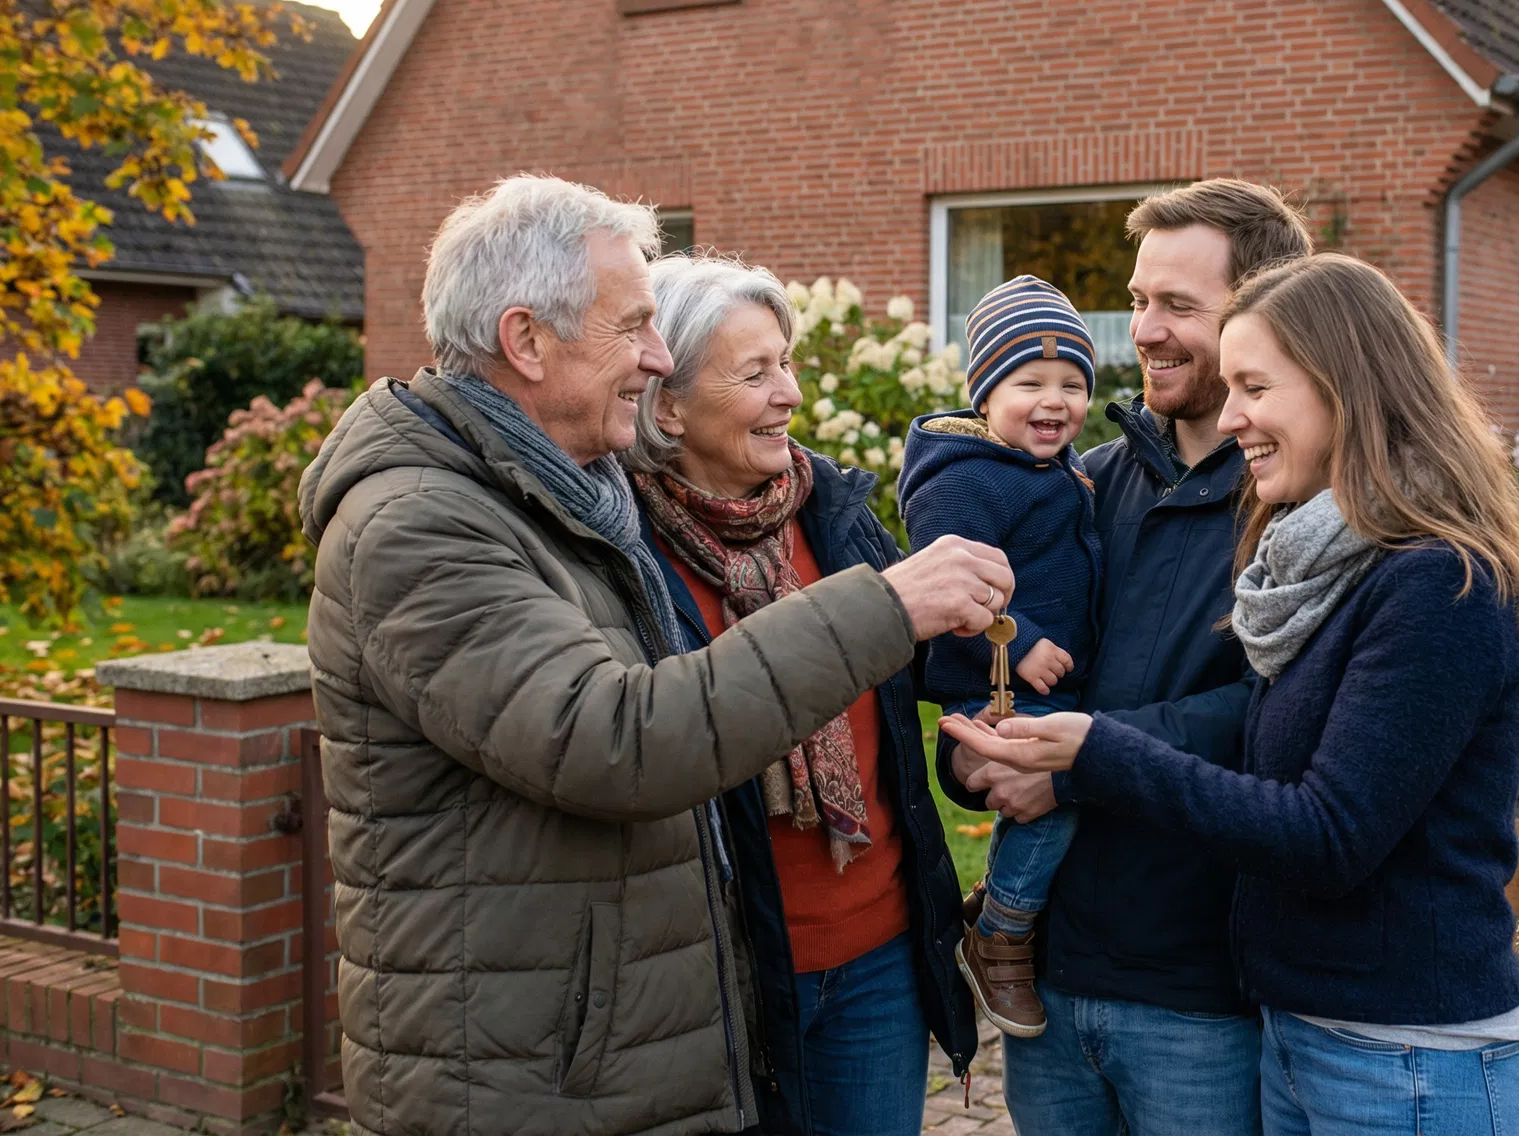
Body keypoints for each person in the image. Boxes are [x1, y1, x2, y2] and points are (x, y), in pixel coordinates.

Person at [298, 175, 1013, 1136]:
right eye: (633, 325)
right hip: (527, 1069)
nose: (657, 355)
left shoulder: (569, 496)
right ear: (526, 340)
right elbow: (615, 738)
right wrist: (882, 604)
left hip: (606, 1036)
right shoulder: (418, 526)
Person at [943, 252, 1519, 1136]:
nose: (1232, 418)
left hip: (1405, 1055)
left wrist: (1094, 754)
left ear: (1346, 389)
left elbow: (1328, 834)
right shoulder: (1314, 570)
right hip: (1307, 1030)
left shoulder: (1441, 584)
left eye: (1255, 388)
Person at [938, 179, 1313, 1135]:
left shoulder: (1298, 510)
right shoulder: (1076, 486)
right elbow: (984, 664)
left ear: (1262, 314)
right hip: (1051, 982)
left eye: (1179, 306)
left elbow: (1275, 719)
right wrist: (979, 752)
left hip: (1202, 992)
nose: (1144, 330)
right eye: (1140, 300)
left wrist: (1072, 768)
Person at [624, 253, 975, 1136]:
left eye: (786, 362)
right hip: (733, 973)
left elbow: (925, 668)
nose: (788, 392)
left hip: (880, 956)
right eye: (754, 372)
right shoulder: (624, 556)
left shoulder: (831, 510)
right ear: (667, 404)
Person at [897, 275, 1102, 1040]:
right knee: (1054, 795)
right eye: (1030, 383)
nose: (1055, 401)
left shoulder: (1058, 472)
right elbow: (942, 580)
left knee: (1077, 787)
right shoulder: (963, 480)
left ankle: (998, 904)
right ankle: (1001, 933)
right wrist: (1017, 641)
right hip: (993, 688)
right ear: (985, 393)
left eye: (1072, 384)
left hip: (1050, 682)